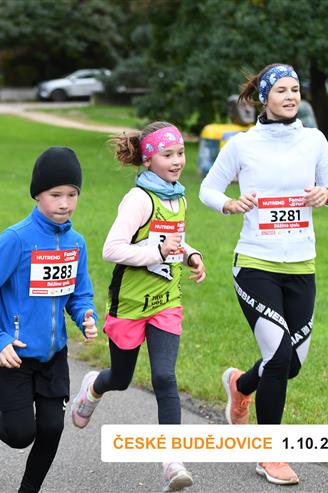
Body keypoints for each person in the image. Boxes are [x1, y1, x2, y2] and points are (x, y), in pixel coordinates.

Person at [199, 63, 328, 486]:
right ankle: (269, 454)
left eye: (295, 89)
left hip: (301, 265)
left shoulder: (314, 140)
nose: (291, 96)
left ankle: (241, 386)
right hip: (255, 264)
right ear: (265, 97)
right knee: (278, 359)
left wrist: (326, 194)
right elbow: (209, 188)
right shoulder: (243, 145)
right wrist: (229, 204)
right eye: (281, 90)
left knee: (291, 364)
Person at [70, 123, 205, 492]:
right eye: (167, 154)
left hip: (166, 300)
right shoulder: (139, 199)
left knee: (165, 377)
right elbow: (111, 249)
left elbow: (174, 240)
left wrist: (190, 254)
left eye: (180, 153)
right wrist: (157, 252)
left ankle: (173, 461)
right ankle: (93, 387)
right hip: (129, 303)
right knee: (121, 378)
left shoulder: (178, 197)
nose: (177, 161)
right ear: (148, 160)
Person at [0, 147, 98, 493]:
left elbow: (78, 293)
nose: (65, 203)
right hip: (15, 355)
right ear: (37, 194)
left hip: (53, 356)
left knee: (52, 428)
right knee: (20, 435)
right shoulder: (16, 240)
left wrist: (85, 315)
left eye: (72, 194)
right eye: (55, 195)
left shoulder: (76, 243)